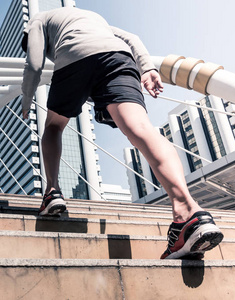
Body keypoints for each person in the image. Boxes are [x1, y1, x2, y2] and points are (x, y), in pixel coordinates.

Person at [21, 7, 223, 259]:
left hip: (74, 57)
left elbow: (34, 62)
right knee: (141, 128)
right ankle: (188, 212)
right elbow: (132, 39)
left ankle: (51, 192)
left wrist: (26, 99)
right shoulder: (93, 18)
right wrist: (148, 68)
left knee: (54, 125)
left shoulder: (36, 21)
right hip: (119, 56)